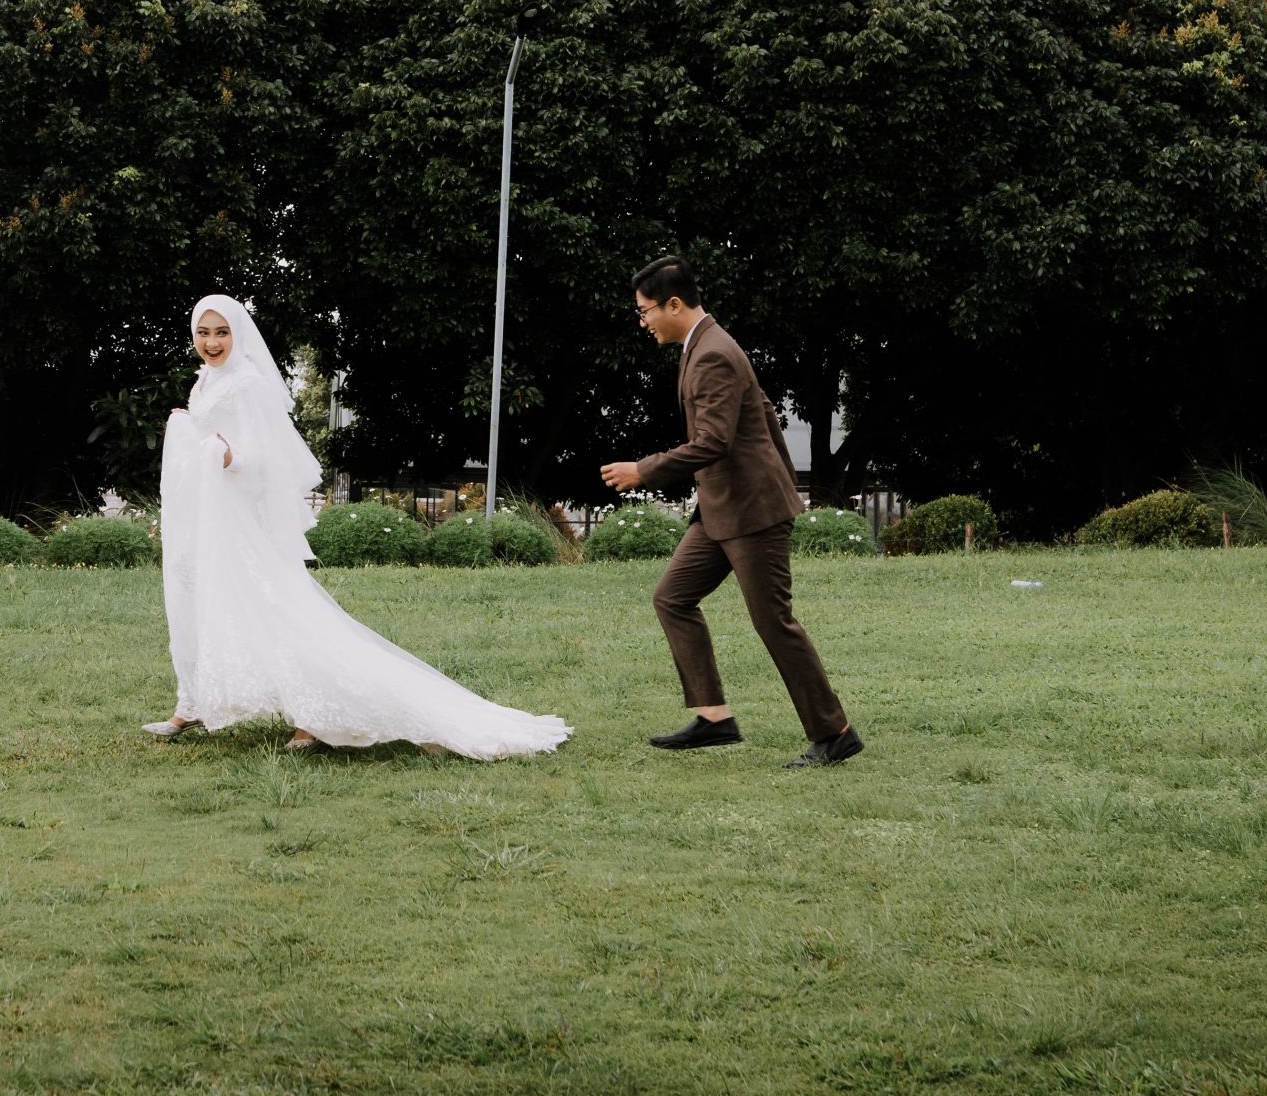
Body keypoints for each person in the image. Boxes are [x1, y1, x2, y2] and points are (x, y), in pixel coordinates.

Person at [143, 294, 570, 759]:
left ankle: (311, 715)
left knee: (282, 611)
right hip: (216, 519)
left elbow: (266, 459)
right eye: (203, 333)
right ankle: (192, 702)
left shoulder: (246, 384)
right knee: (203, 601)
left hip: (245, 524)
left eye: (222, 332)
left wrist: (224, 455)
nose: (212, 342)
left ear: (238, 334)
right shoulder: (207, 380)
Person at [600, 256, 862, 768]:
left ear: (674, 304)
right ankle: (714, 716)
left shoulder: (713, 353)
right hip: (722, 508)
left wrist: (644, 470)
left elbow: (713, 442)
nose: (643, 321)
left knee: (774, 623)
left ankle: (835, 733)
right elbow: (764, 413)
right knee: (672, 598)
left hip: (752, 513)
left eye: (645, 310)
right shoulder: (703, 346)